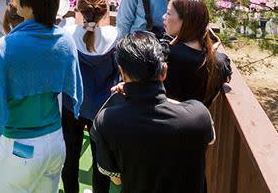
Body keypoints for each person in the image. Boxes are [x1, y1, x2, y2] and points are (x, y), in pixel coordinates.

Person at [0, 0, 83, 193]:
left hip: (20, 146)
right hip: (55, 141)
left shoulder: (5, 47)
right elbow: (75, 93)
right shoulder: (65, 40)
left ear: (28, 6)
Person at [90, 32, 215, 192]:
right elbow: (207, 142)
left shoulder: (107, 121)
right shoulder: (198, 116)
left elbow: (116, 178)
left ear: (121, 72)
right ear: (163, 72)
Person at [61, 0, 118, 193]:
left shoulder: (67, 34)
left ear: (77, 9)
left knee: (70, 157)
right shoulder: (115, 36)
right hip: (102, 110)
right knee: (100, 161)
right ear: (105, 13)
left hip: (72, 105)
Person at [162, 0, 231, 106]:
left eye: (169, 13)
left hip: (167, 120)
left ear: (186, 21)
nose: (164, 16)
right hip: (199, 120)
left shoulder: (168, 56)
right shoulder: (219, 61)